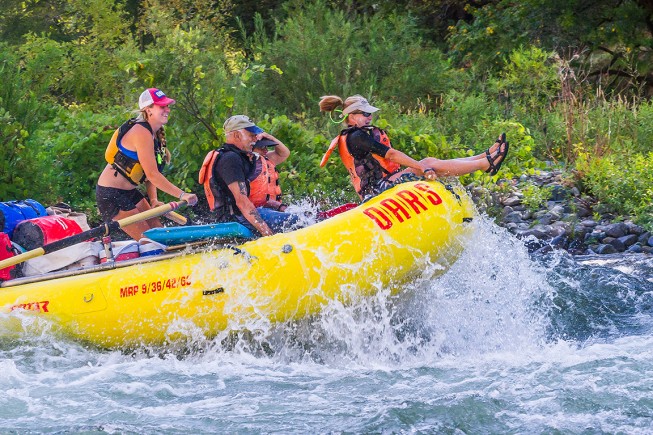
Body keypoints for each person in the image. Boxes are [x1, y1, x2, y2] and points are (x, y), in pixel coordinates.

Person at [318, 94, 509, 200]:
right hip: (376, 192)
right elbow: (391, 155)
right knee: (427, 164)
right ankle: (484, 164)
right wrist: (420, 167)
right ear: (351, 117)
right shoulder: (356, 136)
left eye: (370, 114)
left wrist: (420, 165)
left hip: (382, 184)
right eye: (365, 114)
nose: (370, 117)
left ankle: (484, 157)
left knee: (429, 162)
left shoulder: (358, 134)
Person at [96, 88, 198, 240]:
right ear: (148, 110)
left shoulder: (155, 134)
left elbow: (150, 175)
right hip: (111, 195)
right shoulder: (140, 131)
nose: (167, 109)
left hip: (129, 192)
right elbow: (152, 174)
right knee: (150, 241)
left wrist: (154, 200)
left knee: (161, 235)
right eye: (162, 106)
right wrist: (182, 195)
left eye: (167, 106)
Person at [198, 115, 298, 237]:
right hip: (235, 219)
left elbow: (283, 154)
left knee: (300, 217)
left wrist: (269, 137)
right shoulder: (230, 159)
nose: (255, 139)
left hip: (246, 215)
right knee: (296, 221)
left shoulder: (244, 156)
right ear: (237, 135)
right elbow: (242, 202)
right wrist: (268, 234)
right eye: (251, 135)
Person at [248, 137, 290, 212]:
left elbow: (285, 153)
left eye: (266, 147)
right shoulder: (245, 163)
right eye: (262, 147)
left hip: (273, 207)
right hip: (256, 210)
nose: (266, 150)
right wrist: (279, 206)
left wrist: (268, 136)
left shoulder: (267, 159)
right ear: (251, 148)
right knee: (295, 218)